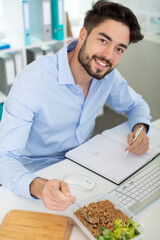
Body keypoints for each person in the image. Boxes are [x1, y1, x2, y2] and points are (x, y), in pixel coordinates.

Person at [0, 0, 151, 211]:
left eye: (119, 49)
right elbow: (4, 159)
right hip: (36, 176)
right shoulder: (32, 81)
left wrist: (140, 128)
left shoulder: (108, 77)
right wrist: (38, 186)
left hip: (83, 165)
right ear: (82, 35)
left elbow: (136, 104)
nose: (108, 55)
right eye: (103, 40)